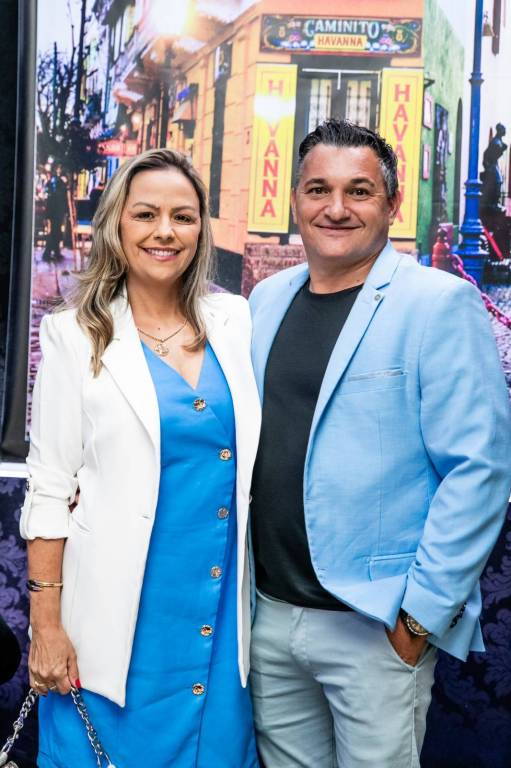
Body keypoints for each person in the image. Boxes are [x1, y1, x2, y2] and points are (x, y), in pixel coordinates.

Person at [248, 119, 511, 768]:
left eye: (358, 191)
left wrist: (416, 619)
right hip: (268, 617)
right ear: (295, 200)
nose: (335, 208)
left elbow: (479, 470)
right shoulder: (264, 300)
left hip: (374, 627)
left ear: (391, 204)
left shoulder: (439, 303)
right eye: (318, 189)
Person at [20, 148, 261, 767]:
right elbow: (49, 489)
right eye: (146, 214)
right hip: (116, 620)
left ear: (201, 229)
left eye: (183, 216)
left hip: (218, 616)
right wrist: (46, 626)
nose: (165, 232)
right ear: (117, 225)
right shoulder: (74, 334)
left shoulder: (235, 320)